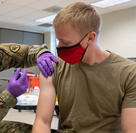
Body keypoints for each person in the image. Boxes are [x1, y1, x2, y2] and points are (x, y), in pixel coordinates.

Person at [32, 2, 136, 133]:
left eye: (65, 42)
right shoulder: (53, 67)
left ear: (90, 38)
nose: (58, 47)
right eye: (58, 40)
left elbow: (131, 130)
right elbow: (42, 122)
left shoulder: (129, 73)